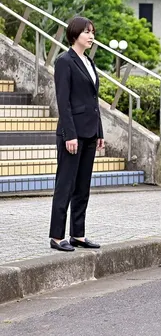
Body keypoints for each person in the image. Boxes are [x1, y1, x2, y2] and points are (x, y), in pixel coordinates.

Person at [49, 16, 104, 252]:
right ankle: (56, 236)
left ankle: (78, 235)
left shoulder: (89, 63)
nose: (91, 36)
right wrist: (70, 134)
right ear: (75, 35)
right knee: (66, 184)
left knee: (83, 186)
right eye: (86, 32)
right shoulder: (64, 61)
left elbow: (93, 100)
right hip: (72, 134)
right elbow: (64, 101)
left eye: (92, 32)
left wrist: (99, 131)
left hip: (90, 132)